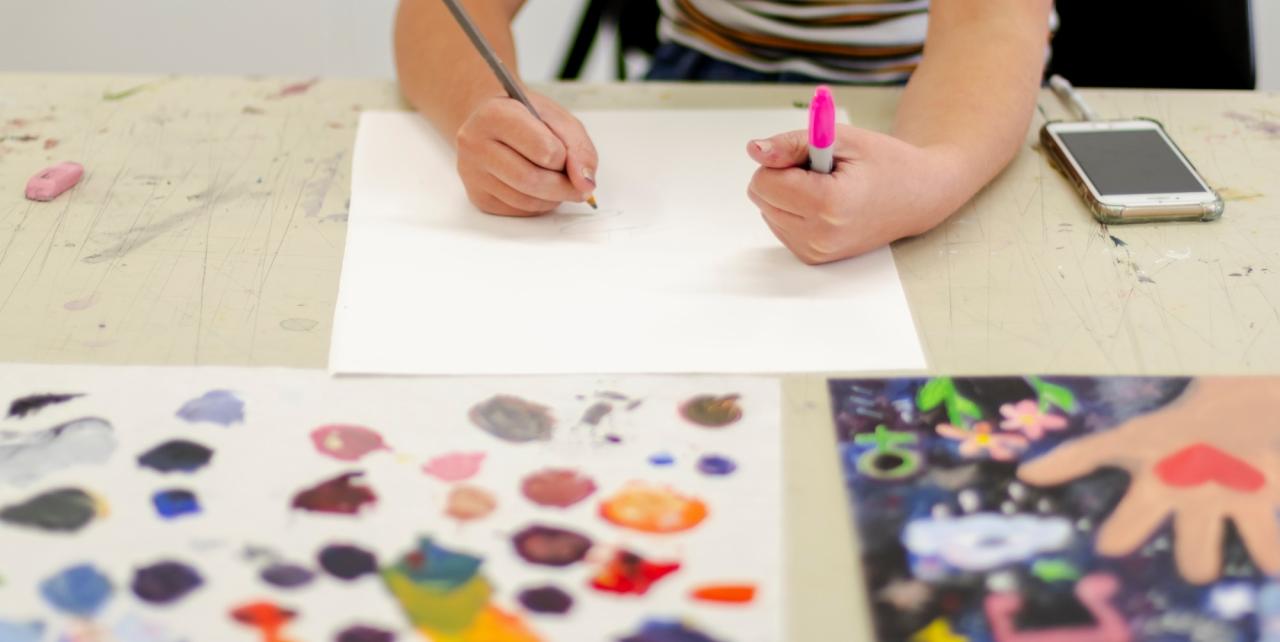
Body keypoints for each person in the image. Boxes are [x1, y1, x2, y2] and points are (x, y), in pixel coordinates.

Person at [394, 0, 1053, 264]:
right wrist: (481, 108)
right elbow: (445, 12)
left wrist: (934, 174)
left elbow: (987, 25)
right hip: (698, 76)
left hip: (944, 96)